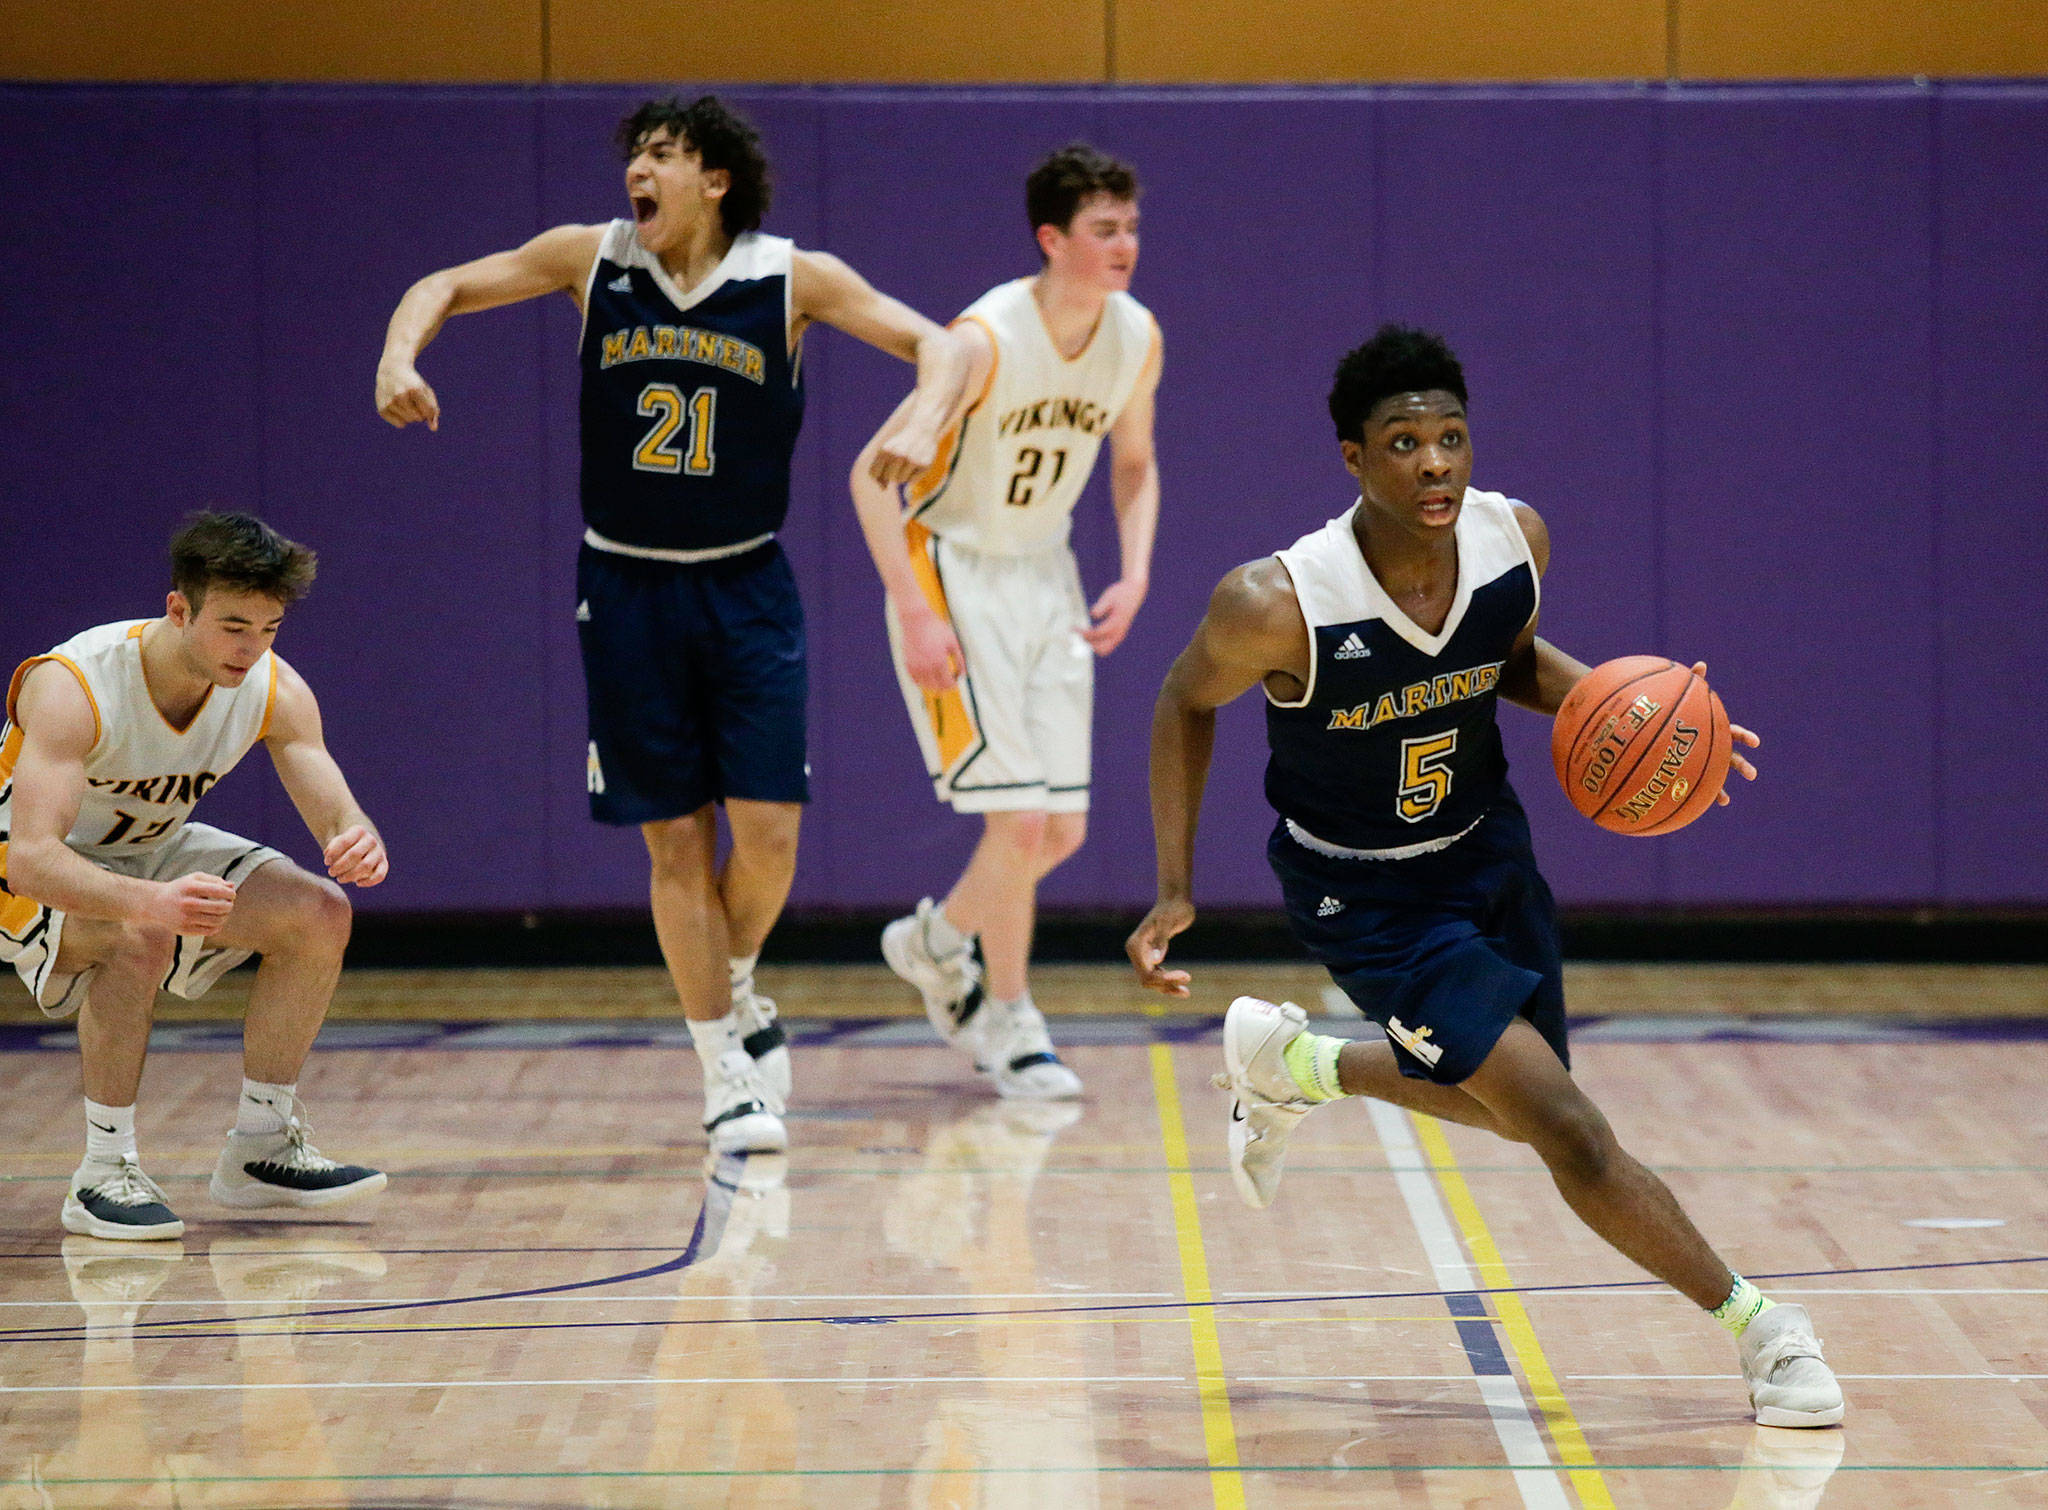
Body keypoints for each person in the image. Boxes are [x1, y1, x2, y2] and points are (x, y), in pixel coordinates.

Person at [1124, 325, 1844, 1428]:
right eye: (1402, 442)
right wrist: (1175, 883)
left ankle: (1297, 1064)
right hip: (1363, 893)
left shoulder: (1514, 542)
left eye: (1449, 438)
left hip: (1484, 851)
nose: (1433, 463)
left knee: (1510, 1105)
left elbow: (1499, 662)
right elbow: (1180, 699)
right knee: (1566, 1127)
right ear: (1352, 459)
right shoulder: (1277, 601)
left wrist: (1652, 721)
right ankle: (1764, 1331)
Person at [375, 95, 969, 1152]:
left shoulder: (790, 277)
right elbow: (446, 283)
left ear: (716, 179)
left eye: (661, 155)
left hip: (747, 585)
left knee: (771, 833)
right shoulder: (588, 260)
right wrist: (399, 352)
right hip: (629, 586)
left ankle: (732, 980)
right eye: (634, 156)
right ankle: (719, 1068)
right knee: (675, 839)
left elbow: (945, 348)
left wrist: (925, 415)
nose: (636, 172)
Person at [852, 144, 1161, 1100]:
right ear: (1051, 239)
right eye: (1105, 229)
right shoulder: (982, 341)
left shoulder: (1137, 336)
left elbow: (1135, 463)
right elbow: (873, 476)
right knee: (1019, 819)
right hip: (954, 570)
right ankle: (1009, 1010)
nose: (1125, 245)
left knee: (1055, 832)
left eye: (1132, 228)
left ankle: (937, 947)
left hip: (1049, 577)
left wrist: (1137, 573)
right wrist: (912, 609)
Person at [1, 512, 388, 1241]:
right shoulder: (74, 684)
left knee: (320, 913)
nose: (251, 649)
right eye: (233, 626)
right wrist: (150, 900)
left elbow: (335, 811)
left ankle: (262, 1147)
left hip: (145, 848)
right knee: (138, 934)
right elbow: (31, 858)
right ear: (179, 608)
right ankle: (102, 1172)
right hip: (21, 855)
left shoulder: (274, 687)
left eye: (269, 629)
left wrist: (353, 837)